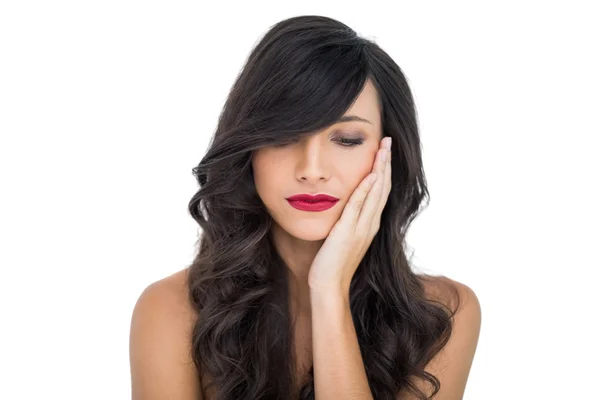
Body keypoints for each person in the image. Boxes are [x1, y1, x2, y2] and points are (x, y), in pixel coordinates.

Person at [129, 15, 481, 400]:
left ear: (389, 154)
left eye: (346, 139)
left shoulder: (443, 313)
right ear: (250, 149)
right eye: (284, 136)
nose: (312, 170)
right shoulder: (170, 311)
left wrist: (329, 289)